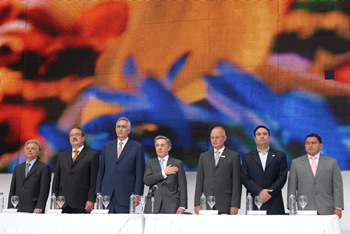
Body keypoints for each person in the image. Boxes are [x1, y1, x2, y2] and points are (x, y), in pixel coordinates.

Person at [288, 133, 344, 218]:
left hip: (327, 208)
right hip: (304, 208)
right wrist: (291, 207)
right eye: (307, 143)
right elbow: (292, 187)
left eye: (313, 143)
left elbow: (337, 186)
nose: (310, 145)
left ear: (320, 145)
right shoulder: (296, 163)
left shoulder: (331, 162)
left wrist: (338, 207)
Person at [96, 117, 145, 213]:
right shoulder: (107, 146)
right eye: (118, 127)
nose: (120, 129)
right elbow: (101, 170)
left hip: (125, 194)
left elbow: (140, 172)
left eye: (123, 127)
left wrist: (138, 194)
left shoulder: (137, 147)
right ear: (115, 129)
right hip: (107, 195)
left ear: (129, 130)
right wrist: (98, 192)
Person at [194, 126, 241, 214]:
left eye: (217, 137)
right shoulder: (204, 157)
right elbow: (199, 182)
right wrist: (197, 203)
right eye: (212, 137)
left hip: (225, 203)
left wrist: (235, 204)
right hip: (206, 204)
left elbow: (236, 183)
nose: (214, 140)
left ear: (224, 138)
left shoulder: (233, 156)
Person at [241, 125, 288, 214]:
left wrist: (268, 193)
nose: (262, 136)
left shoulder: (280, 155)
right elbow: (245, 178)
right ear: (255, 138)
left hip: (274, 201)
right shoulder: (247, 157)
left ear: (269, 138)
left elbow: (282, 177)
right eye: (259, 134)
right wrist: (260, 191)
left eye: (264, 134)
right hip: (255, 201)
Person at [52, 127, 99, 213]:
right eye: (71, 135)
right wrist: (55, 198)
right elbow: (56, 179)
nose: (74, 137)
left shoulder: (92, 155)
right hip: (63, 202)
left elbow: (94, 180)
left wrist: (91, 199)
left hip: (82, 202)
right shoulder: (62, 156)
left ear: (83, 138)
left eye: (77, 135)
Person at [144, 135, 187, 214]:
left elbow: (182, 187)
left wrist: (182, 206)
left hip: (172, 205)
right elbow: (147, 180)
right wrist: (164, 173)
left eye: (162, 145)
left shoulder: (177, 163)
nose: (159, 148)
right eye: (157, 145)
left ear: (169, 148)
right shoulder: (150, 163)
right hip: (153, 205)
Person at [8, 140, 51, 213]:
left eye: (33, 149)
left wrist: (39, 207)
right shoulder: (18, 168)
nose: (30, 150)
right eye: (27, 148)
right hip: (17, 208)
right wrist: (10, 207)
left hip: (34, 208)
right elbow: (13, 189)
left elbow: (44, 190)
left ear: (38, 153)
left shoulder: (44, 167)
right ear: (24, 152)